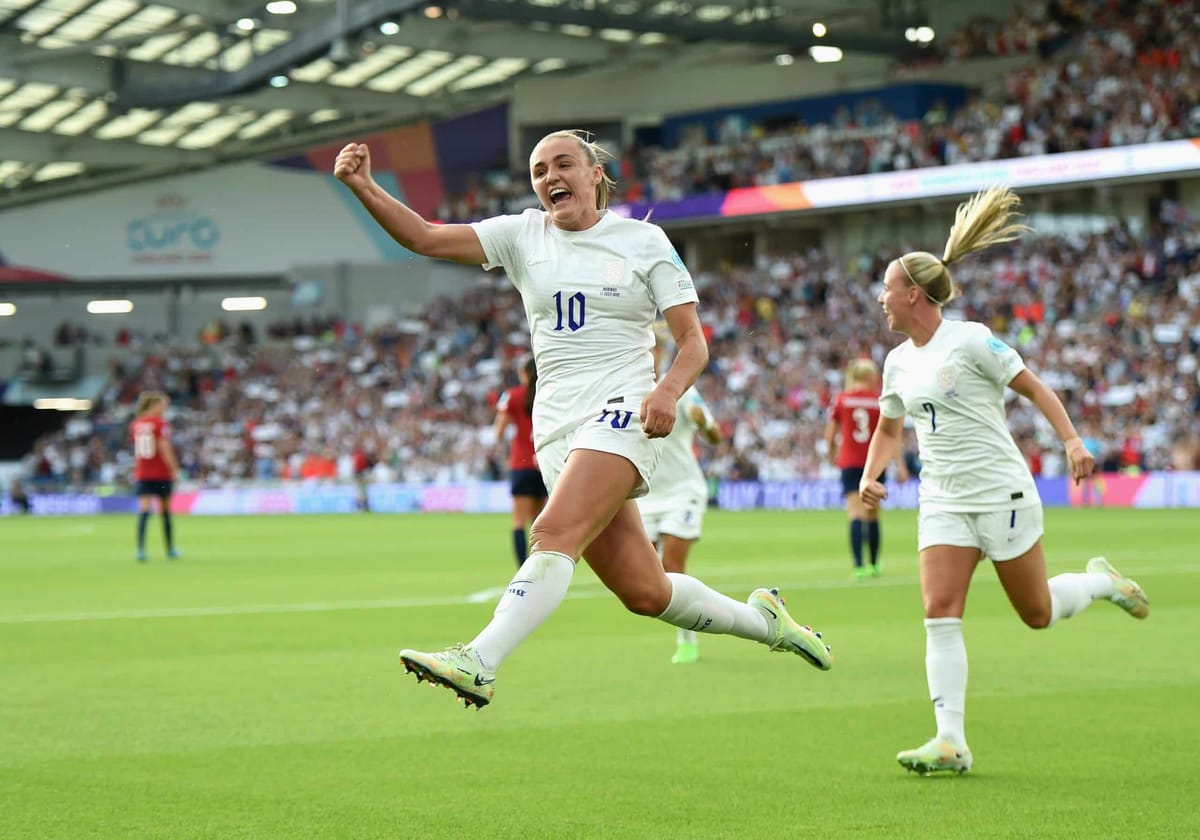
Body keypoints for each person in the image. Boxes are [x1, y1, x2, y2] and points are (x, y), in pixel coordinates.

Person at [334, 129, 832, 709]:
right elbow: (425, 237)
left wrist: (668, 390)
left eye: (563, 164)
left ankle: (480, 660)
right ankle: (767, 624)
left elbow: (693, 341)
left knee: (550, 533)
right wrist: (364, 187)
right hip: (556, 429)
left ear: (595, 173)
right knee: (646, 591)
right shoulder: (523, 235)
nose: (550, 178)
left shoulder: (643, 241)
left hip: (620, 408)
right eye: (539, 171)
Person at [858, 186, 1150, 775]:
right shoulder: (897, 362)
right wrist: (872, 476)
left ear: (913, 293)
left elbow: (1035, 386)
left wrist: (1072, 441)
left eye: (887, 288)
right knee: (939, 611)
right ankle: (951, 741)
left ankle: (1100, 583)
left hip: (1001, 493)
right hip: (942, 499)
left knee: (1037, 612)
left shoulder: (970, 341)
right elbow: (890, 430)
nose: (881, 299)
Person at [637, 328, 722, 664]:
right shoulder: (624, 390)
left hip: (683, 490)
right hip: (645, 497)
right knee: (649, 576)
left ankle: (687, 639)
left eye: (654, 348)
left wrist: (704, 425)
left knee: (672, 564)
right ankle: (698, 619)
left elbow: (714, 438)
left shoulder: (683, 391)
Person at [824, 358, 907, 579]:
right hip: (875, 462)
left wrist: (832, 455)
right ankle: (873, 564)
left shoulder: (842, 400)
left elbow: (830, 435)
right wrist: (900, 465)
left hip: (850, 462)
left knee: (855, 512)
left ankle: (858, 566)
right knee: (872, 513)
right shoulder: (879, 401)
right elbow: (891, 435)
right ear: (870, 377)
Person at [494, 357, 548, 567]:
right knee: (540, 522)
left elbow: (498, 431)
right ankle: (540, 565)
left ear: (524, 374)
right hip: (543, 462)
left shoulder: (514, 396)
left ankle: (522, 568)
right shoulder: (547, 393)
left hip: (521, 463)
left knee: (518, 520)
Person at [129, 390, 181, 562]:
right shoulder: (160, 423)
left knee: (144, 510)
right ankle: (170, 549)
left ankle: (141, 550)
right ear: (154, 405)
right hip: (161, 473)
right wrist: (174, 469)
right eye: (163, 405)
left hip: (142, 473)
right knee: (165, 511)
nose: (164, 409)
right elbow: (164, 447)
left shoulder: (136, 424)